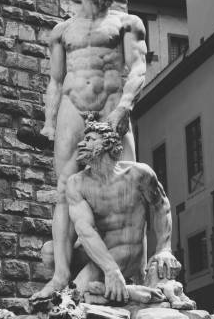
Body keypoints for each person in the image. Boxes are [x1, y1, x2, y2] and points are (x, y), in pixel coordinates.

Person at [31, 0, 147, 300]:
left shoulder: (127, 23)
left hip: (113, 107)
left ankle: (133, 271)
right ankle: (60, 276)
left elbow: (138, 68)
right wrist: (49, 121)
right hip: (72, 109)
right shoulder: (62, 31)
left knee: (129, 184)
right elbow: (54, 81)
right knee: (66, 188)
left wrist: (125, 108)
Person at [54, 121, 180, 302]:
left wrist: (164, 248)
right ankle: (126, 292)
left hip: (126, 252)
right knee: (49, 252)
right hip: (101, 255)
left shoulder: (138, 173)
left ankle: (117, 291)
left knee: (74, 298)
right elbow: (85, 229)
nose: (81, 144)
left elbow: (162, 206)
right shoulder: (76, 183)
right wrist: (110, 269)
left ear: (107, 144)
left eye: (89, 139)